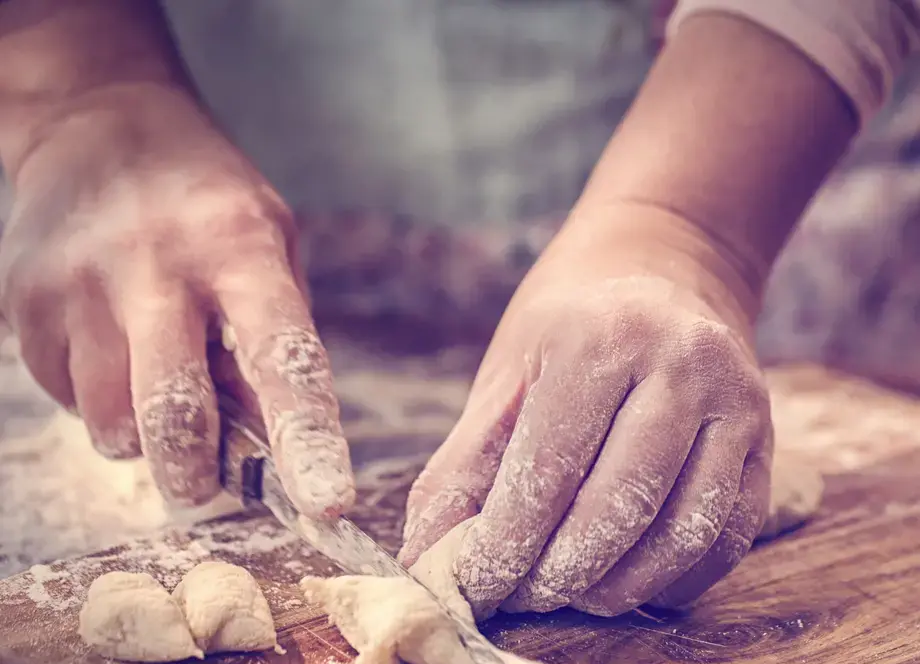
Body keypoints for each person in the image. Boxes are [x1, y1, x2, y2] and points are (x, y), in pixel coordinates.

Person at [0, 0, 915, 620]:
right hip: (248, 228)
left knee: (675, 460)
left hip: (763, 167)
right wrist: (81, 95)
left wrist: (689, 230)